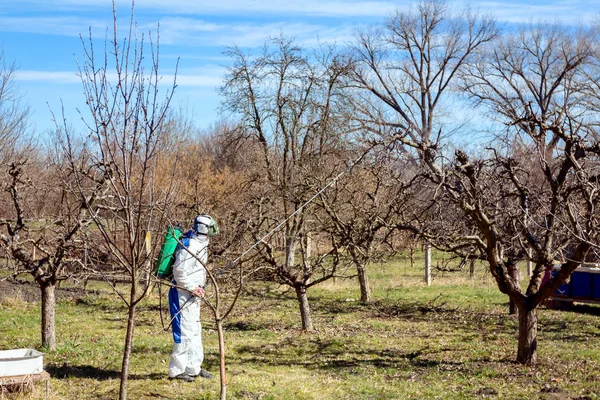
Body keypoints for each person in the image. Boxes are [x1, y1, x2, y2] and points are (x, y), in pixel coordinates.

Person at [168, 214, 219, 382]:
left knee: (195, 330)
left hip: (193, 295)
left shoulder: (201, 245)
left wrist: (199, 288)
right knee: (183, 331)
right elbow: (179, 272)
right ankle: (176, 371)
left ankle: (193, 368)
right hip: (181, 294)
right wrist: (192, 288)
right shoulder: (189, 245)